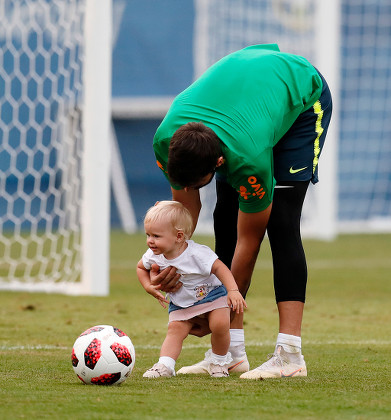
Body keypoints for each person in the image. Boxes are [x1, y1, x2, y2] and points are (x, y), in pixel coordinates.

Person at [150, 44, 332, 379]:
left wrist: (217, 301)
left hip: (300, 93)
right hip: (247, 100)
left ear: (219, 163)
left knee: (281, 223)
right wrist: (176, 267)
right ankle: (230, 354)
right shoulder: (166, 141)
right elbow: (182, 220)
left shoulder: (247, 159)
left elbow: (249, 243)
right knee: (224, 222)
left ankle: (290, 354)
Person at [137, 200, 247, 378]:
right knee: (175, 330)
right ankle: (165, 365)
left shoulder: (197, 254)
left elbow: (220, 268)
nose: (150, 241)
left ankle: (219, 363)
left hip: (212, 295)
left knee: (220, 324)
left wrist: (233, 291)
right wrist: (148, 286)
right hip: (181, 302)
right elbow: (141, 267)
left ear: (179, 237)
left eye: (156, 236)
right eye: (148, 235)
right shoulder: (153, 255)